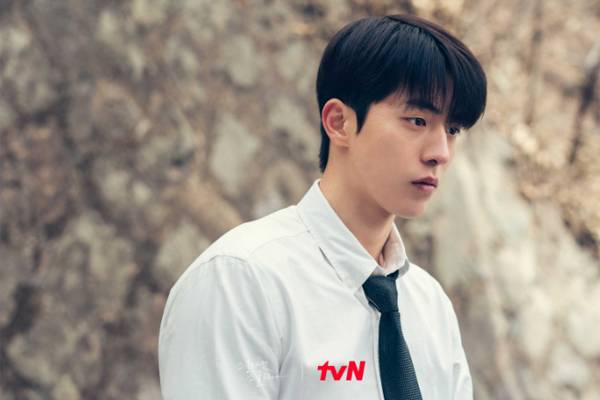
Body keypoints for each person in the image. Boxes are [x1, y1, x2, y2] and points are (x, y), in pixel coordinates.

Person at [158, 14, 486, 400]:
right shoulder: (242, 282)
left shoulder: (430, 306)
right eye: (417, 120)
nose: (440, 153)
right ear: (339, 122)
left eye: (452, 130)